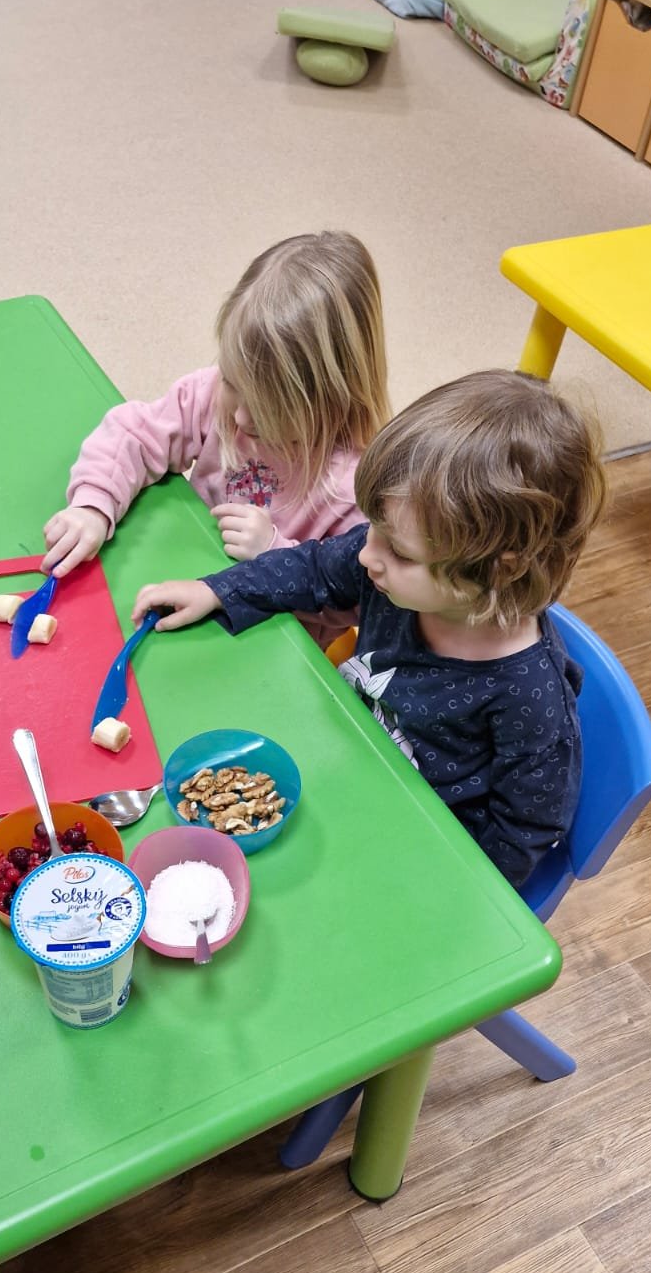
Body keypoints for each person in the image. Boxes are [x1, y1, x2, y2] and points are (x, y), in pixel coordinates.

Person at [133, 370, 608, 889]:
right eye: (374, 529)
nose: (366, 553)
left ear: (500, 570)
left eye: (398, 550)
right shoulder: (390, 572)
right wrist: (217, 590)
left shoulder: (531, 699)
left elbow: (522, 834)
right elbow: (313, 570)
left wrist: (443, 890)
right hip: (343, 764)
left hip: (411, 849)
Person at [41, 230, 390, 646]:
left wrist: (275, 554)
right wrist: (93, 506)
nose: (240, 417)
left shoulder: (354, 485)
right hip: (179, 590)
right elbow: (135, 433)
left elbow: (362, 596)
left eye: (268, 410)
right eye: (233, 383)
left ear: (331, 396)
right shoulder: (210, 394)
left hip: (261, 647)